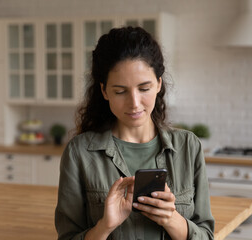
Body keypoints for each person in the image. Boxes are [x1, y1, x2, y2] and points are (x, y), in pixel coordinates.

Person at [55, 26, 214, 240]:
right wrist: (105, 226)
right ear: (104, 91)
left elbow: (206, 235)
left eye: (144, 88)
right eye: (120, 91)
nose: (134, 103)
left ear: (158, 84)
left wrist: (171, 219)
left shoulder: (188, 146)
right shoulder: (80, 152)